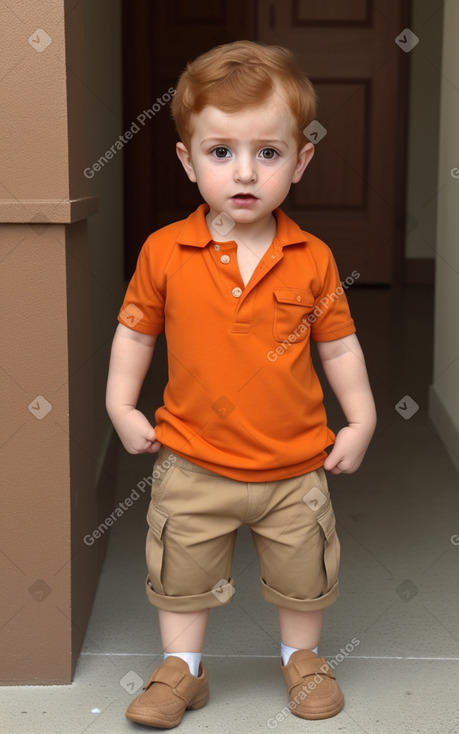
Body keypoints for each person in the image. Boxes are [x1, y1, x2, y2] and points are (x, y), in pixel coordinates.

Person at [106, 39, 376, 729]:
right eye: (220, 152)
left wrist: (361, 418)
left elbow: (338, 346)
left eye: (268, 151)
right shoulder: (164, 251)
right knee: (181, 574)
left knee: (303, 574)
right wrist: (119, 403)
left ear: (300, 160)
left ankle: (302, 660)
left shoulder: (311, 259)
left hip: (295, 465)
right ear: (187, 160)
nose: (244, 171)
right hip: (192, 462)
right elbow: (137, 333)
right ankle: (182, 672)